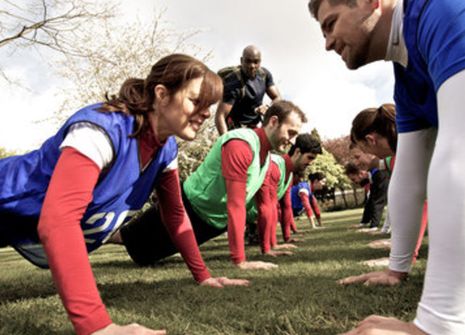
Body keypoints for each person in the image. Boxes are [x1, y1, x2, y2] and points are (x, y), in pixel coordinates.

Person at [0, 54, 251, 335]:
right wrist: (98, 327)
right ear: (161, 94)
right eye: (196, 101)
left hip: (18, 223)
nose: (206, 113)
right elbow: (58, 220)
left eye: (210, 106)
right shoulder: (102, 128)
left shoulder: (166, 150)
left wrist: (203, 276)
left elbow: (175, 214)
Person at [308, 0, 465, 333]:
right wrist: (397, 268)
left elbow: (458, 153)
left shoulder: (444, 11)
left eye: (331, 23)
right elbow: (409, 177)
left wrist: (438, 324)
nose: (327, 43)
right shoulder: (406, 76)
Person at [117, 100, 307, 271]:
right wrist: (240, 261)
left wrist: (269, 248)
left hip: (211, 223)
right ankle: (91, 233)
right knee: (126, 237)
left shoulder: (267, 159)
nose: (291, 141)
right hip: (189, 207)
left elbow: (264, 205)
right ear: (273, 122)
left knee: (144, 256)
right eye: (290, 133)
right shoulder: (241, 144)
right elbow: (236, 204)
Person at [350, 103, 428, 262]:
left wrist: (405, 257)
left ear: (371, 140)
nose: (362, 157)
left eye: (362, 152)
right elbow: (382, 163)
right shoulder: (400, 151)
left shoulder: (411, 152)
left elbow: (420, 204)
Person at [251, 133, 323, 254]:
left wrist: (287, 238)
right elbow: (267, 206)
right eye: (309, 157)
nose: (310, 163)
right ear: (297, 152)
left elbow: (286, 206)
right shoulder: (275, 165)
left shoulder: (289, 173)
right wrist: (267, 249)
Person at [215, 45, 281, 134]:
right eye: (248, 61)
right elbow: (221, 116)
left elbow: (277, 98)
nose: (252, 66)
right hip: (235, 127)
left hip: (254, 126)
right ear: (242, 61)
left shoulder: (264, 75)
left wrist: (267, 108)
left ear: (260, 62)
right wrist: (226, 141)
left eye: (256, 62)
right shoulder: (234, 83)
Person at [345, 162, 389, 230]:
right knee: (370, 201)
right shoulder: (373, 177)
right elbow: (370, 202)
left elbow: (378, 202)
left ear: (361, 173)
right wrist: (363, 223)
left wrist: (373, 227)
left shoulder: (379, 175)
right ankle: (365, 222)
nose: (355, 182)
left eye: (354, 179)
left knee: (376, 201)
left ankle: (374, 226)